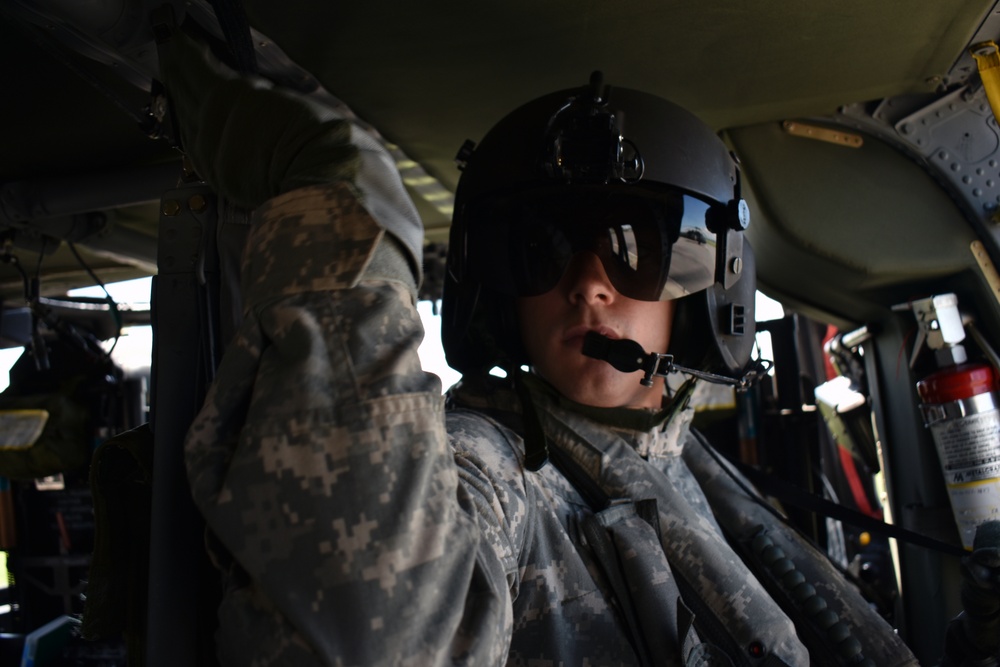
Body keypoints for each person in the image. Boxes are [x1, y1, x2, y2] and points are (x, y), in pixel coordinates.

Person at [157, 24, 921, 667]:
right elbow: (373, 636)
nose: (589, 285)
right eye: (540, 249)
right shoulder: (488, 469)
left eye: (635, 251)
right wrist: (339, 203)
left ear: (701, 297)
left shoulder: (684, 465)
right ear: (502, 299)